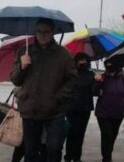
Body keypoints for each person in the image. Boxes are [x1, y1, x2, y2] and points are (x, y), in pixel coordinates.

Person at [11, 18, 78, 162]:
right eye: (39, 31)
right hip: (30, 110)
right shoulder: (25, 51)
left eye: (46, 31)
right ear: (34, 32)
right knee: (30, 151)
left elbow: (72, 79)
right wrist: (22, 67)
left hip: (55, 111)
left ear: (52, 32)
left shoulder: (63, 54)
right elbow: (15, 79)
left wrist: (58, 98)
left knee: (54, 149)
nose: (42, 35)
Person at [94, 60, 124, 162]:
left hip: (118, 113)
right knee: (107, 135)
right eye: (107, 63)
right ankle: (106, 158)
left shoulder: (123, 78)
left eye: (111, 63)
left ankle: (107, 154)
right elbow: (94, 92)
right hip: (103, 113)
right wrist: (97, 82)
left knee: (113, 135)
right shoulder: (102, 77)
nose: (109, 65)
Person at [64, 52, 96, 162]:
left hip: (85, 109)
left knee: (80, 134)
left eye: (85, 60)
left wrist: (98, 81)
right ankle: (68, 157)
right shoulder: (71, 73)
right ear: (76, 61)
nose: (83, 62)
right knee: (71, 133)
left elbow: (95, 91)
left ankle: (77, 157)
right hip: (71, 108)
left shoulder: (91, 75)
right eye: (80, 60)